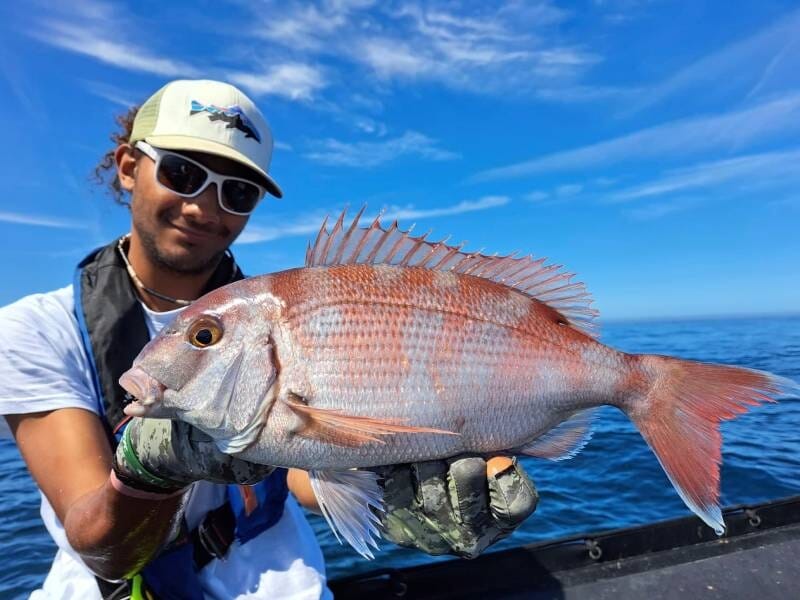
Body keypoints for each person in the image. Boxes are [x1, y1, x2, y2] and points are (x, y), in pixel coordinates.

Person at [0, 79, 538, 599]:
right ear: (128, 167)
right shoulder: (37, 329)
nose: (204, 207)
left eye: (237, 191)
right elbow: (102, 549)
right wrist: (149, 468)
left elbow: (304, 470)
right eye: (183, 173)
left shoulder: (278, 316)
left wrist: (392, 490)